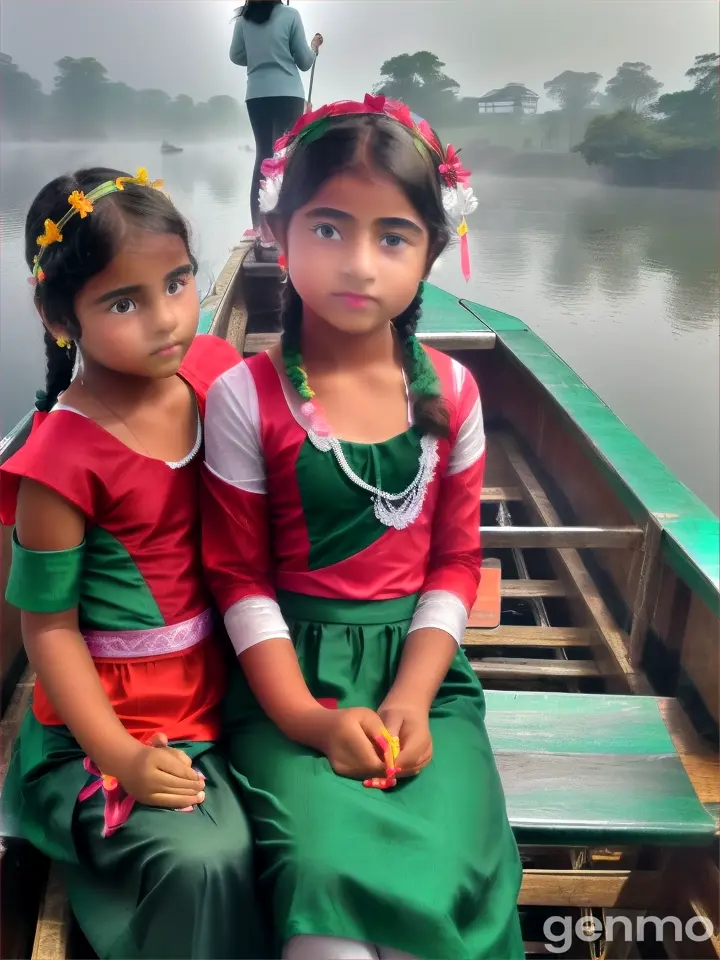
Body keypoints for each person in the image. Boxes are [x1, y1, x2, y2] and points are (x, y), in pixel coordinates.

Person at [200, 96, 524, 960]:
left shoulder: (452, 395)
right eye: (330, 228)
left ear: (432, 251)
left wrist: (412, 700)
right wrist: (310, 721)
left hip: (423, 681)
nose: (360, 263)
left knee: (452, 882)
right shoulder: (246, 397)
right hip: (287, 684)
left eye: (393, 236)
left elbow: (453, 565)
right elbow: (239, 578)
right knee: (325, 892)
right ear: (277, 230)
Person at [0, 167, 267, 960]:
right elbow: (47, 632)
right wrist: (121, 758)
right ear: (58, 315)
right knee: (206, 859)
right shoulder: (60, 462)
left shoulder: (216, 371)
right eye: (124, 302)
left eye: (179, 283)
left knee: (314, 815)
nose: (167, 320)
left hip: (232, 679)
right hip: (116, 723)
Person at [230, 0, 322, 231]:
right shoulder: (290, 15)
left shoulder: (244, 20)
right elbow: (304, 62)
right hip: (287, 94)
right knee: (284, 158)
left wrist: (257, 52)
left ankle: (259, 226)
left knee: (263, 156)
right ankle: (285, 226)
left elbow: (236, 56)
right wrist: (314, 47)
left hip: (257, 95)